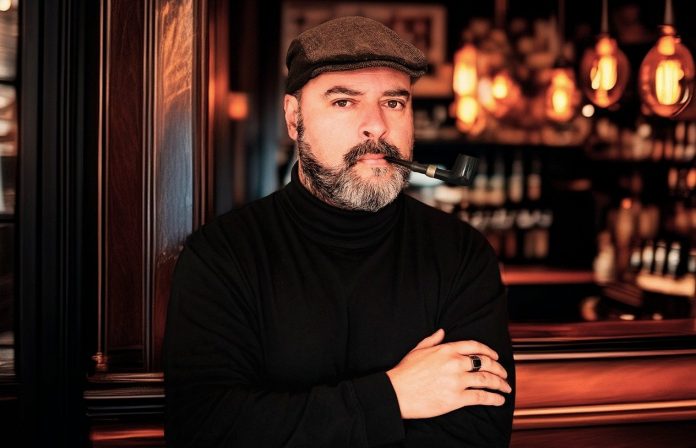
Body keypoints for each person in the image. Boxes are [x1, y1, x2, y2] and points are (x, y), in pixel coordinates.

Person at [164, 16, 515, 447]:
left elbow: (479, 433)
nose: (377, 126)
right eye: (344, 102)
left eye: (394, 102)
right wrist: (392, 397)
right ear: (294, 118)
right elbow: (205, 430)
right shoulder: (223, 255)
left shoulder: (460, 253)